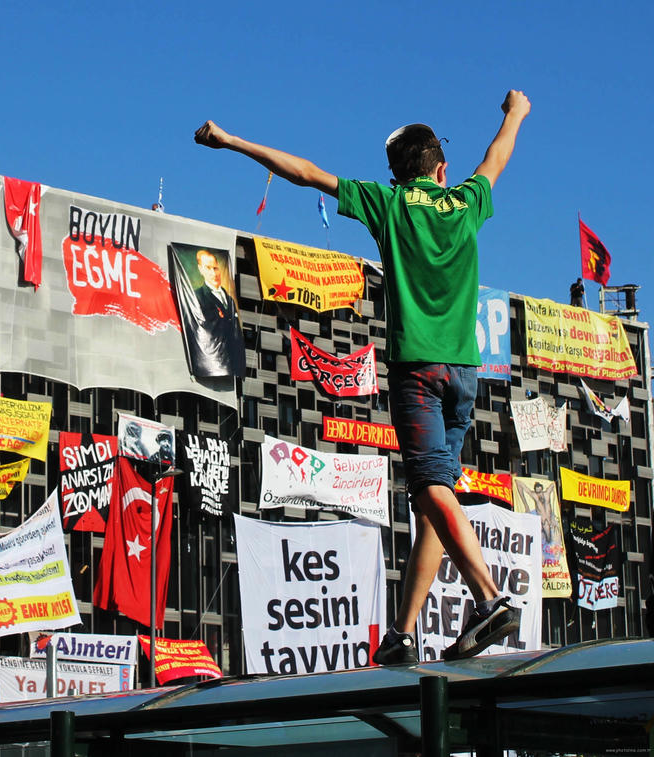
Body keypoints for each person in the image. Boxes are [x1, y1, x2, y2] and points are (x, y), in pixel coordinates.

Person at [195, 89, 531, 664]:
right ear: (441, 168)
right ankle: (402, 633)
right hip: (464, 375)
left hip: (418, 374)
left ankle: (490, 597)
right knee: (437, 497)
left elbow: (305, 173)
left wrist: (230, 141)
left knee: (429, 488)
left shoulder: (390, 204)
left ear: (398, 173)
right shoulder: (468, 201)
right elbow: (496, 158)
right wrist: (515, 114)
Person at [187, 249, 244, 377]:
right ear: (200, 269)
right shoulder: (197, 297)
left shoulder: (229, 299)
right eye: (208, 268)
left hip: (233, 367)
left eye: (216, 268)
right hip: (211, 366)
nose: (214, 273)